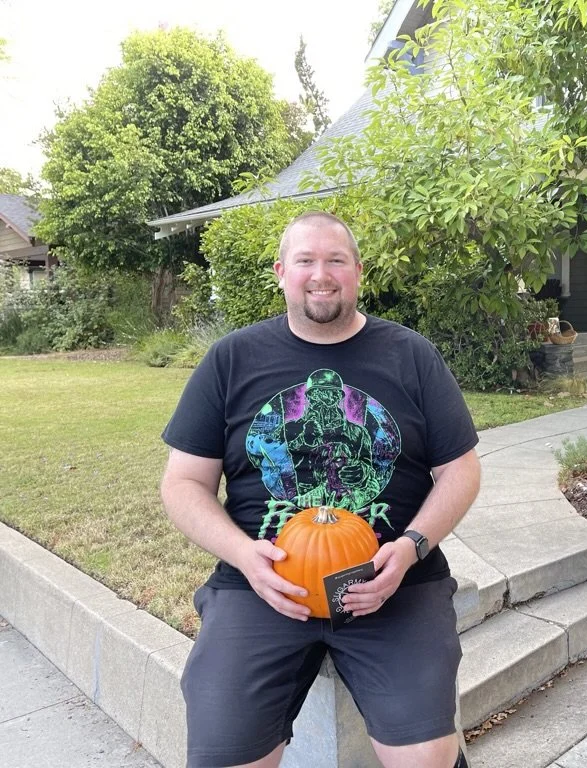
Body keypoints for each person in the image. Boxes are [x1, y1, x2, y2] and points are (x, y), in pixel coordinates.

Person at [160, 210, 481, 768]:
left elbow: (461, 470)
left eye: (336, 260)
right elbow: (183, 483)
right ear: (282, 272)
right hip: (263, 584)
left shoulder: (412, 356)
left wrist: (410, 549)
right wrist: (244, 556)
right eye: (306, 260)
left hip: (393, 583)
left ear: (358, 271)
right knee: (223, 755)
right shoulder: (232, 360)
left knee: (426, 757)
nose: (321, 274)